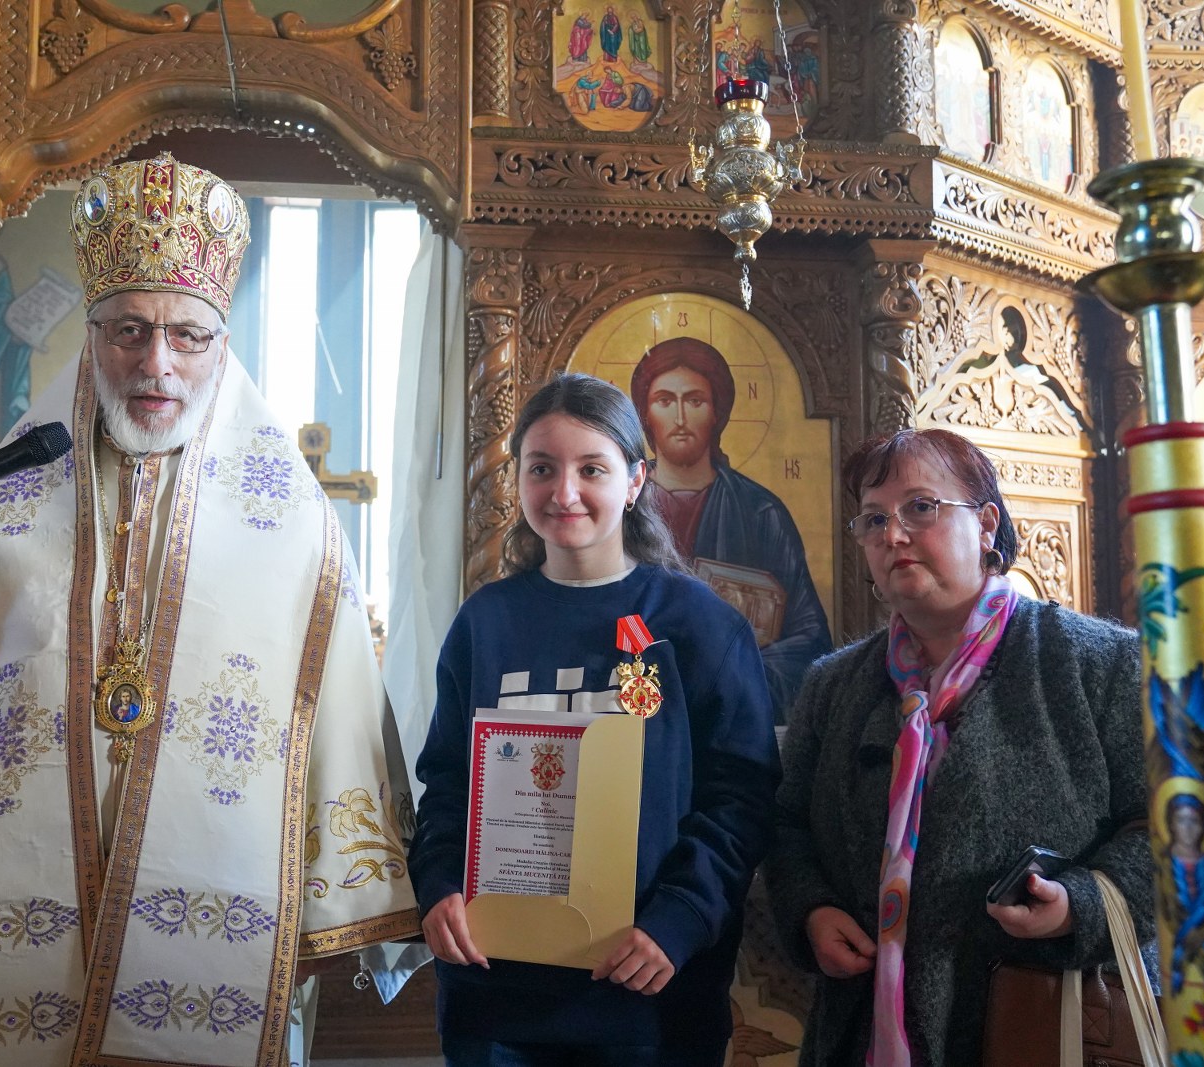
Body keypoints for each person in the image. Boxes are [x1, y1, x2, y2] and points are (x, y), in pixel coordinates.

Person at [0, 154, 419, 1067]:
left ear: (224, 343)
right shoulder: (1, 505)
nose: (155, 363)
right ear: (91, 336)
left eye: (188, 335)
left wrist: (340, 891)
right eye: (129, 330)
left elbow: (333, 713)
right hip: (13, 888)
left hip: (216, 897)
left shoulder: (293, 521)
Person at [410, 373, 778, 1066]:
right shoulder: (485, 622)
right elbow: (448, 782)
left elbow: (742, 799)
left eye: (592, 469)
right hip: (496, 995)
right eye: (541, 468)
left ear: (636, 480)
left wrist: (679, 919)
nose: (564, 492)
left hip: (647, 994)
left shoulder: (699, 625)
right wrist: (439, 887)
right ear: (518, 479)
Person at [764, 428, 1151, 1066]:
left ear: (987, 524)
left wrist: (1076, 907)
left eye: (921, 507)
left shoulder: (1101, 665)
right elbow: (787, 827)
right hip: (862, 1031)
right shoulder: (833, 686)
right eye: (874, 519)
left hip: (1045, 1024)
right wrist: (812, 910)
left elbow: (1176, 829)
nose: (893, 535)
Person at [628, 337, 831, 718]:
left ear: (717, 412)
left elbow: (809, 640)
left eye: (695, 401)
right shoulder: (619, 512)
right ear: (645, 413)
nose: (681, 418)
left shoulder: (761, 513)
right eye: (665, 401)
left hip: (733, 713)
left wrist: (728, 674)